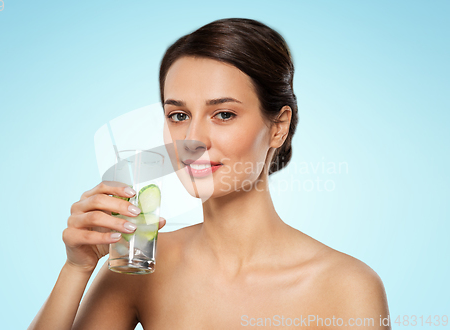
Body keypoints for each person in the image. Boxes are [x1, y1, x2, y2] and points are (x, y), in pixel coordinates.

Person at [28, 18, 390, 329]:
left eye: (224, 114)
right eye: (179, 115)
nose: (193, 140)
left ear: (278, 127)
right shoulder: (140, 266)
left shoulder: (346, 287)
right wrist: (76, 269)